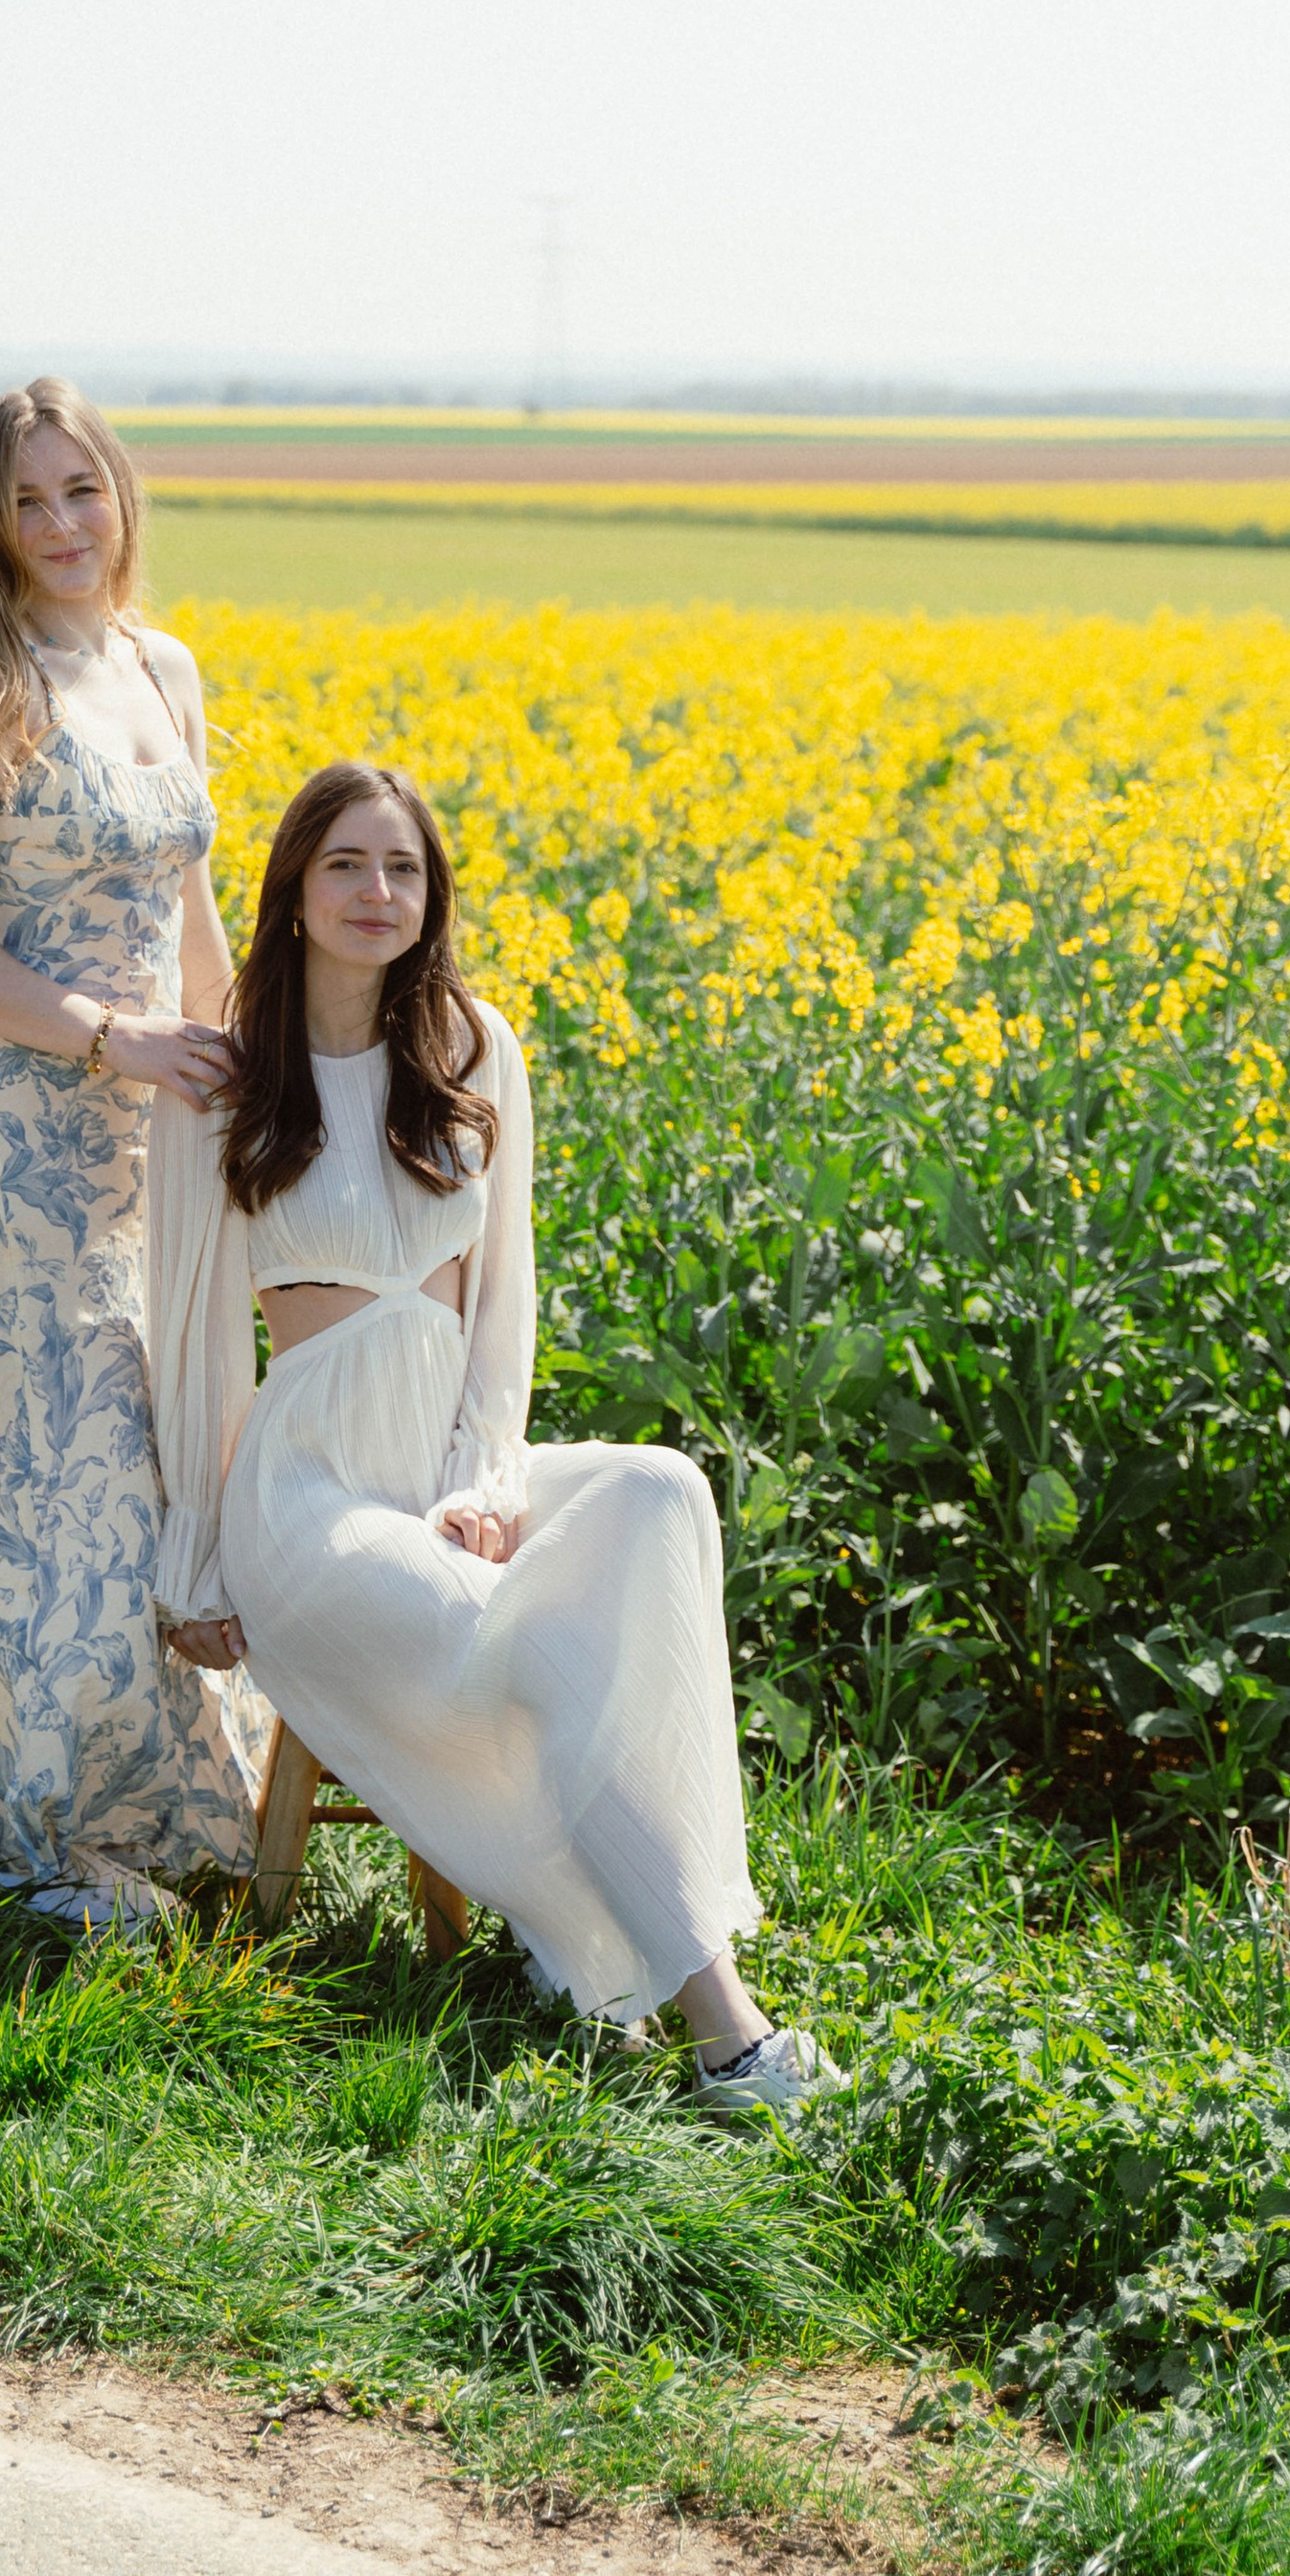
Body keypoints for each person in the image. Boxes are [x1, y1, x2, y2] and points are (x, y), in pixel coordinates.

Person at [146, 758, 847, 2114]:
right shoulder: (231, 1076)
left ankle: (587, 1939)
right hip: (311, 1508)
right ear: (292, 888)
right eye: (347, 863)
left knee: (658, 1492)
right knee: (523, 1637)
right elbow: (189, 1337)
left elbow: (502, 1299)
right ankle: (731, 2036)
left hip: (441, 1479)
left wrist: (490, 1475)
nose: (377, 891)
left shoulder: (472, 1048)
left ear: (432, 897)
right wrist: (196, 1558)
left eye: (403, 868)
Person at [0, 376, 267, 1929]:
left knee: (159, 1446)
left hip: (154, 1119)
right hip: (12, 1137)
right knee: (51, 1460)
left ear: (122, 496)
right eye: (26, 503)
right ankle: (28, 1842)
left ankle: (163, 1808)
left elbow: (190, 903)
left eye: (79, 491)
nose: (58, 527)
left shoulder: (165, 665)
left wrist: (241, 1068)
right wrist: (112, 1039)